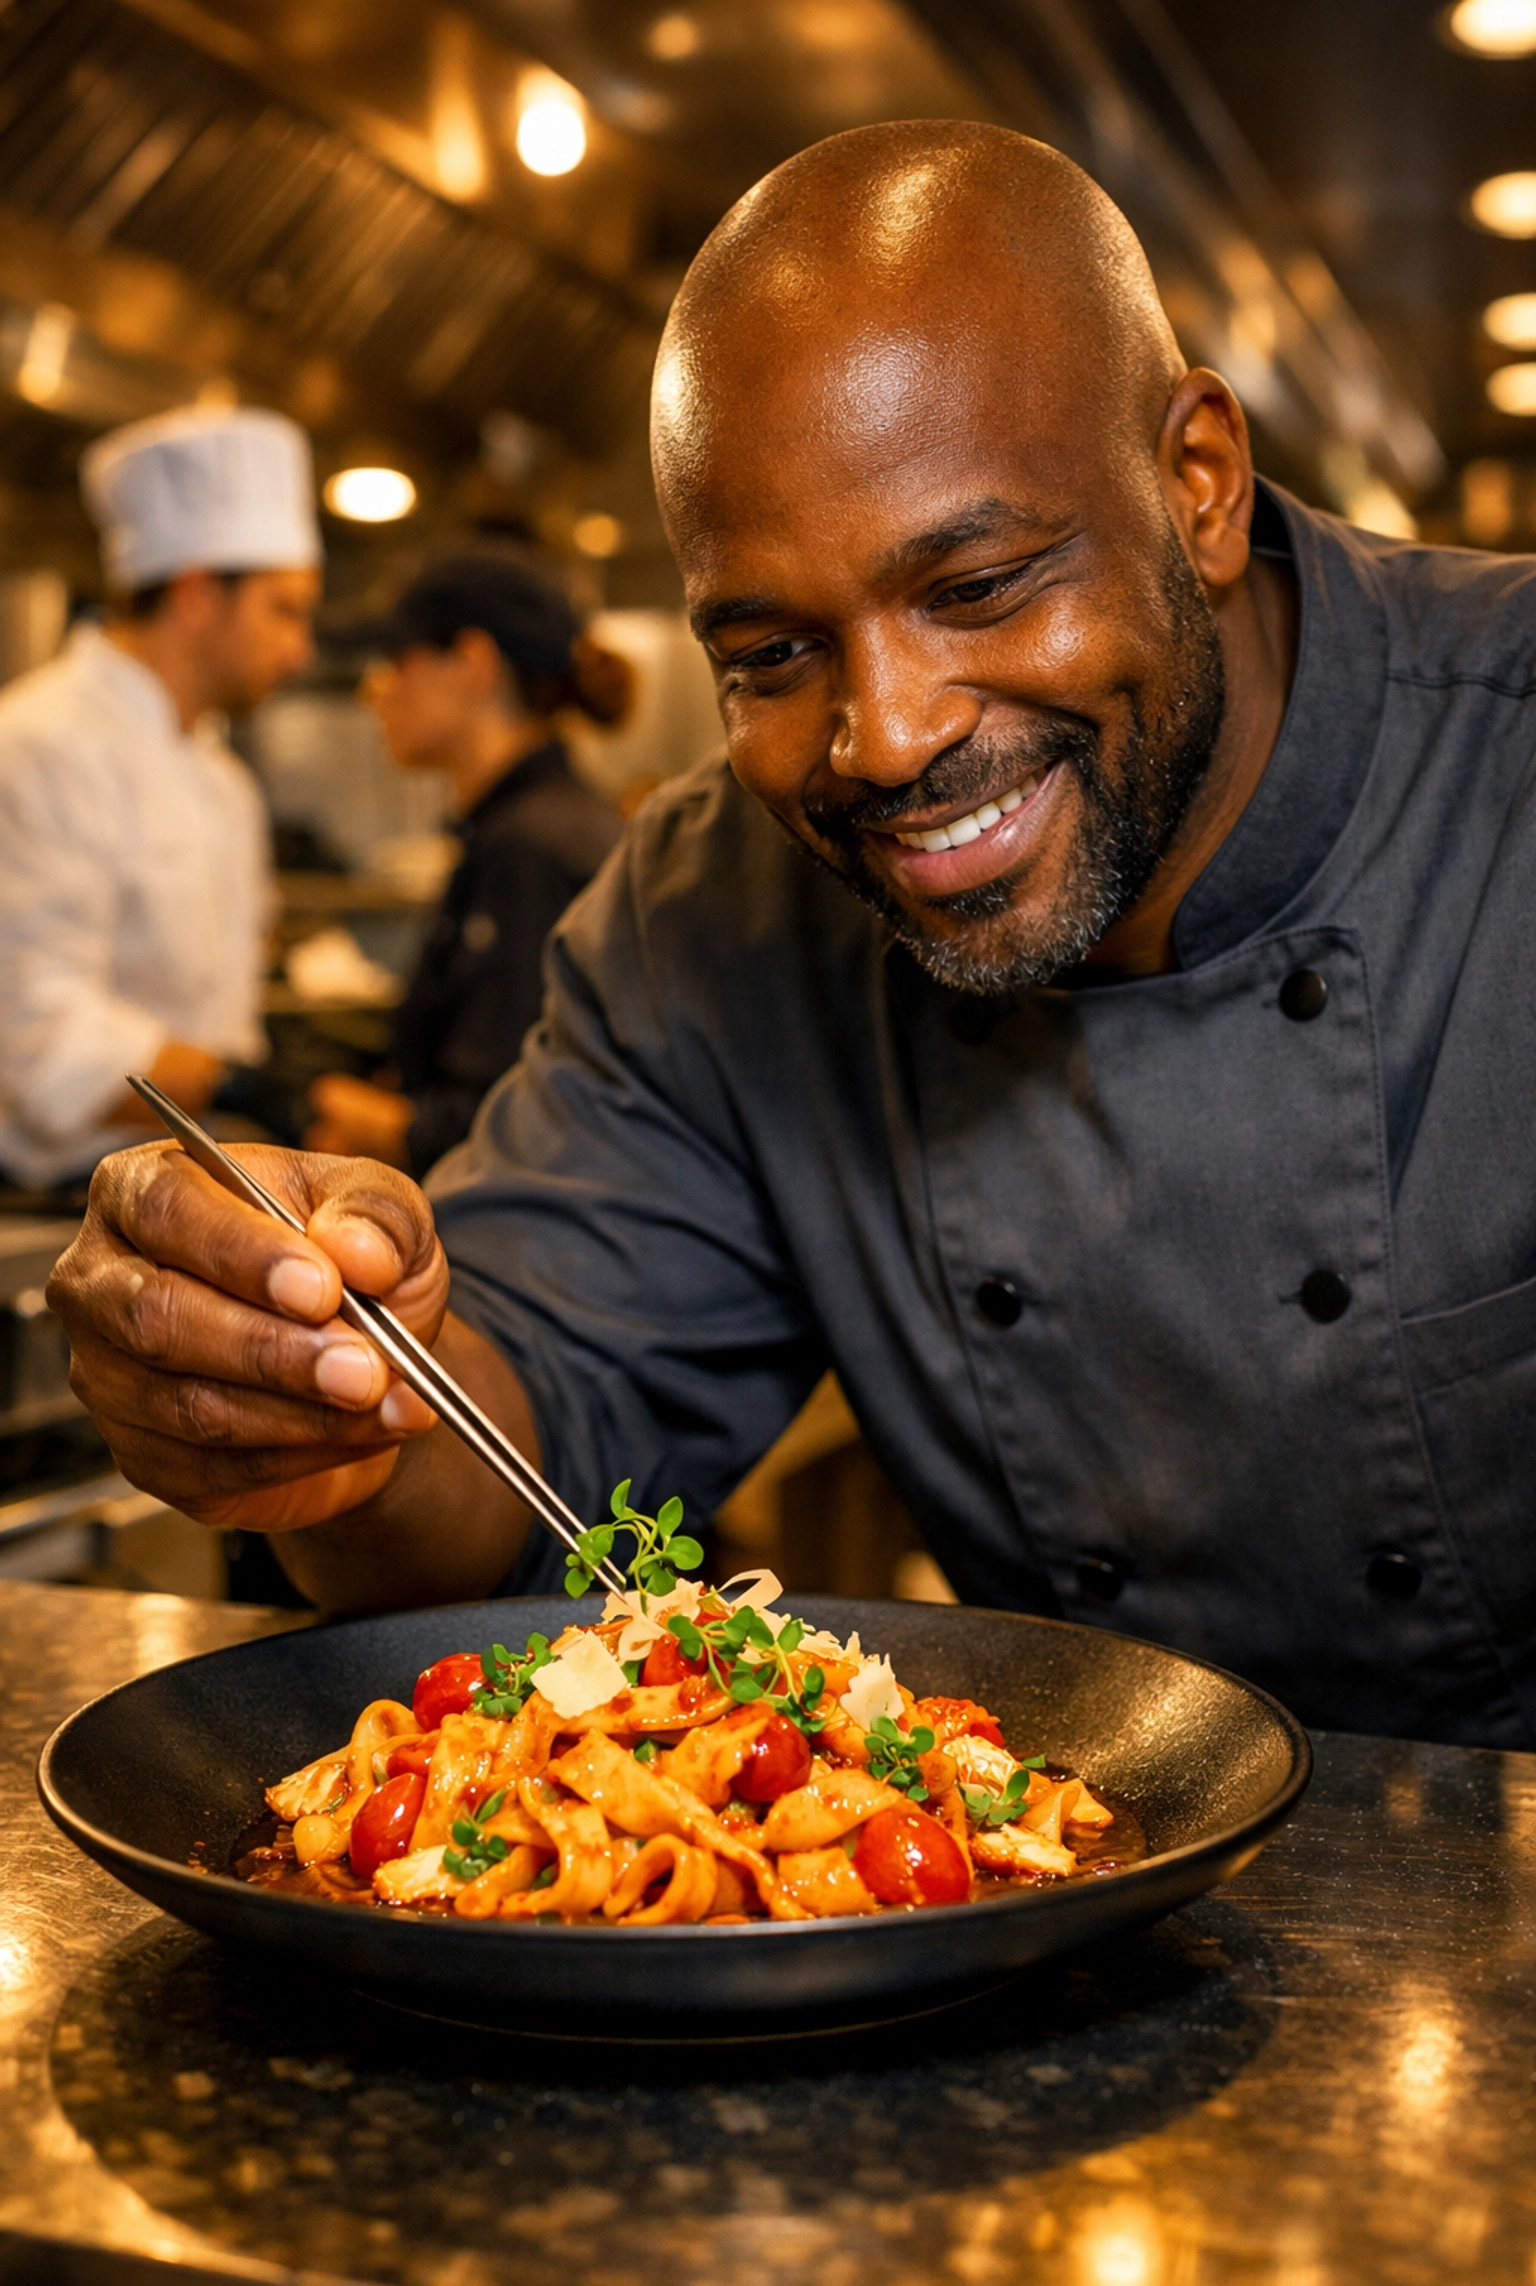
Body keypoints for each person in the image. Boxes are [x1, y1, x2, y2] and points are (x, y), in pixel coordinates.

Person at [46, 124, 1536, 1747]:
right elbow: (517, 1440)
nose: (884, 736)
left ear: (1196, 483)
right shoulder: (705, 913)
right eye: (770, 653)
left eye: (975, 583)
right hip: (1040, 1910)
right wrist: (312, 1383)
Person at [0, 405, 320, 1194]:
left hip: (202, 1179)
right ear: (195, 593)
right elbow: (36, 1037)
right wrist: (240, 1086)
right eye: (284, 609)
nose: (300, 648)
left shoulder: (224, 781)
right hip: (62, 1199)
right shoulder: (34, 747)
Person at [306, 555, 627, 1178]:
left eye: (396, 661)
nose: (374, 690)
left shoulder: (531, 849)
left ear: (473, 664)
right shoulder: (540, 824)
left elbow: (517, 1122)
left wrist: (365, 1121)